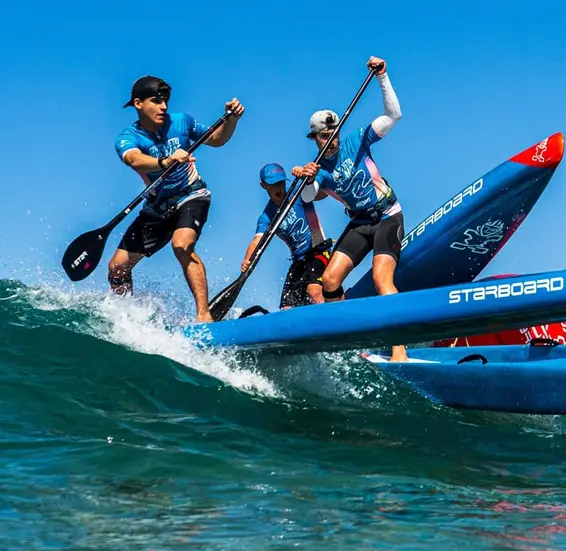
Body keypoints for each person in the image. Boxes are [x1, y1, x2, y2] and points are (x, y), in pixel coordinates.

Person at [292, 55, 407, 361]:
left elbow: (393, 115)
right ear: (314, 137)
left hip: (387, 217)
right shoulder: (318, 170)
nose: (331, 140)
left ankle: (399, 349)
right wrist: (306, 179)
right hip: (359, 223)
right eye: (324, 135)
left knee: (383, 279)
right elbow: (308, 198)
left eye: (334, 133)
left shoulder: (357, 141)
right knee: (329, 281)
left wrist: (382, 76)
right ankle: (351, 344)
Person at [110, 75, 244, 323]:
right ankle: (123, 317)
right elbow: (133, 159)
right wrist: (164, 162)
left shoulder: (182, 122)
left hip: (191, 195)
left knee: (181, 244)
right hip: (158, 207)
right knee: (117, 267)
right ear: (138, 104)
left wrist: (232, 120)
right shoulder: (128, 137)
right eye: (156, 101)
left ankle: (204, 316)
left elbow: (216, 139)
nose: (163, 107)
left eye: (165, 102)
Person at [242, 163, 335, 310]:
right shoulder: (267, 217)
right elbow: (257, 240)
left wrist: (307, 176)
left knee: (314, 291)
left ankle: (334, 321)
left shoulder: (299, 194)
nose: (278, 188)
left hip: (319, 252)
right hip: (298, 261)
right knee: (286, 308)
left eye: (280, 183)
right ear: (263, 185)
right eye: (273, 184)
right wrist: (247, 259)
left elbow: (323, 193)